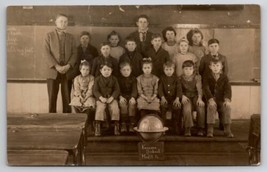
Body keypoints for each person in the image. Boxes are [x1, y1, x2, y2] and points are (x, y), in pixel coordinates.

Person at [44, 13, 77, 113]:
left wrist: (68, 65)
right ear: (56, 22)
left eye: (65, 21)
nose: (63, 23)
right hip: (53, 71)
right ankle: (51, 120)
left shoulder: (71, 37)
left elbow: (74, 53)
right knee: (52, 98)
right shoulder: (49, 36)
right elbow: (46, 52)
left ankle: (66, 121)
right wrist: (56, 66)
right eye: (61, 21)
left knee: (67, 99)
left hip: (67, 71)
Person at [203, 59, 233, 138]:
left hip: (221, 99)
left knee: (227, 106)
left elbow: (228, 89)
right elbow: (206, 88)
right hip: (211, 99)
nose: (215, 68)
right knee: (211, 106)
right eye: (213, 66)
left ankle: (227, 129)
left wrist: (227, 100)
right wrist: (210, 99)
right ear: (210, 67)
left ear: (221, 67)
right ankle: (210, 130)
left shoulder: (225, 77)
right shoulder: (207, 76)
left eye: (217, 66)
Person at [93, 62, 120, 136]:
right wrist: (101, 98)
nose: (106, 71)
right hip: (101, 99)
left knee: (115, 108)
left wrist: (112, 97)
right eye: (104, 69)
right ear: (100, 71)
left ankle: (116, 126)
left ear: (111, 70)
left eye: (108, 70)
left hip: (111, 98)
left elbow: (117, 90)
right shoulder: (97, 79)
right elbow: (95, 90)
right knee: (100, 108)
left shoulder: (114, 79)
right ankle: (97, 126)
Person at [179, 60, 205, 136]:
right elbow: (179, 89)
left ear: (193, 69)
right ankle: (187, 128)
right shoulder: (180, 78)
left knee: (201, 107)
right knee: (187, 108)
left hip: (195, 96)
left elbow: (199, 88)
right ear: (183, 69)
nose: (188, 71)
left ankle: (200, 128)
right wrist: (182, 96)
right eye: (186, 69)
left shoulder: (197, 77)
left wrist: (200, 98)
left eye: (190, 69)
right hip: (185, 96)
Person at [69, 60, 95, 133]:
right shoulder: (76, 78)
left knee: (89, 103)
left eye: (87, 70)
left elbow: (91, 88)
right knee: (75, 102)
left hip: (88, 95)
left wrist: (86, 97)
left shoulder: (91, 78)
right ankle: (79, 124)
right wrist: (80, 96)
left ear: (89, 70)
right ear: (80, 70)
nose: (85, 71)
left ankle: (87, 124)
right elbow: (76, 88)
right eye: (83, 69)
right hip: (79, 95)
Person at [158, 61, 182, 134]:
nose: (169, 72)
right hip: (165, 98)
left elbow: (179, 89)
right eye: (167, 70)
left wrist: (177, 98)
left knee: (177, 107)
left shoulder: (176, 79)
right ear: (164, 70)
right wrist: (162, 97)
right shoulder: (162, 78)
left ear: (173, 70)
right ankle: (163, 127)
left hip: (174, 99)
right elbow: (160, 89)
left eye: (170, 69)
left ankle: (176, 125)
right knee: (163, 107)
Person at [118, 62, 138, 133]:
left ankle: (131, 124)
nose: (126, 72)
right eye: (124, 70)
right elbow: (117, 89)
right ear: (120, 71)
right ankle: (123, 123)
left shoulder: (133, 79)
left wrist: (133, 97)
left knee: (132, 104)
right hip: (122, 96)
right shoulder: (118, 79)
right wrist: (120, 97)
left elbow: (134, 89)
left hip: (131, 96)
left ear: (131, 70)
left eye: (127, 70)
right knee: (123, 105)